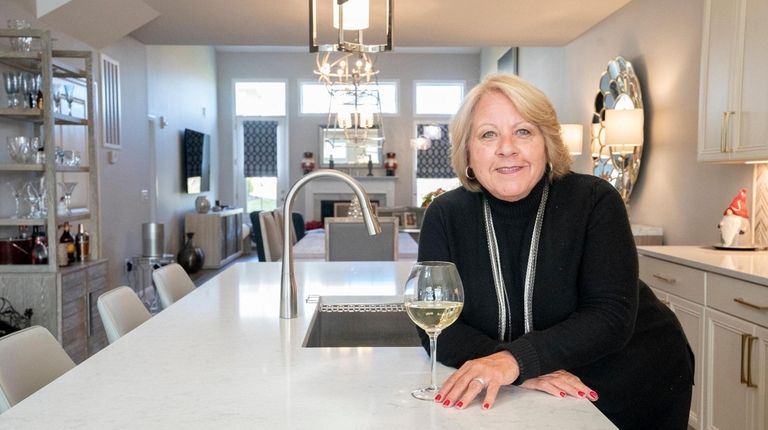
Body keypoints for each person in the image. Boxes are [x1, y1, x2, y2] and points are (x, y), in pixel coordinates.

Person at [416, 74, 693, 429]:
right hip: (526, 384)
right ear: (467, 153)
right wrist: (514, 367)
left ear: (547, 143)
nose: (506, 148)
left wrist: (513, 362)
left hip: (627, 376)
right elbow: (436, 327)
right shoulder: (445, 215)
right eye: (488, 134)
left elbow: (609, 315)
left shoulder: (595, 201)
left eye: (523, 132)